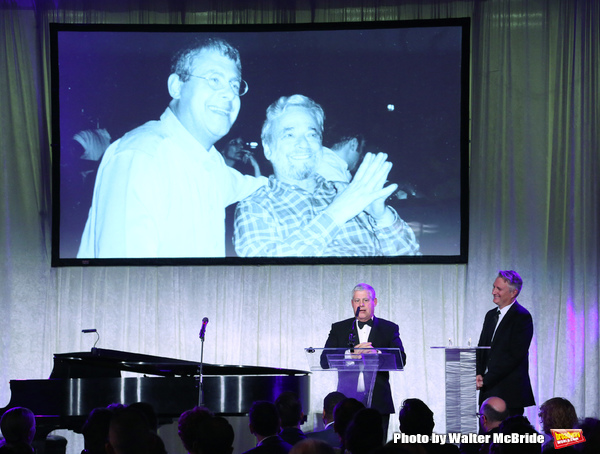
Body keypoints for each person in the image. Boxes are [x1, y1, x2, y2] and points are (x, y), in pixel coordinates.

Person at [78, 37, 265, 258]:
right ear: (176, 86)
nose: (229, 94)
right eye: (214, 79)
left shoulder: (209, 162)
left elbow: (255, 186)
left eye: (235, 85)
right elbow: (124, 280)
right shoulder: (142, 157)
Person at [233, 94, 420, 257]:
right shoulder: (255, 206)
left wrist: (381, 216)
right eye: (289, 135)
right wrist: (338, 212)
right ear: (268, 149)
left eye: (312, 135)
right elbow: (266, 274)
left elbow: (412, 262)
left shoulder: (348, 192)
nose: (303, 144)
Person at [322, 284, 406, 437]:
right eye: (357, 300)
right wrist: (349, 354)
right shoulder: (339, 328)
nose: (361, 304)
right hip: (346, 403)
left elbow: (400, 360)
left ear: (374, 302)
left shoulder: (389, 328)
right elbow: (324, 360)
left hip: (378, 404)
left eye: (365, 300)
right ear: (352, 303)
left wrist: (377, 354)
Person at [476, 270, 535, 416]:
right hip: (488, 392)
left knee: (507, 436)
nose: (493, 291)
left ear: (513, 293)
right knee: (486, 437)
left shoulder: (522, 317)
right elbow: (482, 348)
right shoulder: (490, 315)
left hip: (509, 394)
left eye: (498, 289)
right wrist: (478, 373)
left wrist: (486, 380)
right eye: (493, 287)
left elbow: (514, 356)